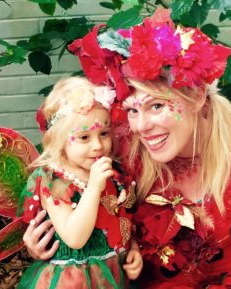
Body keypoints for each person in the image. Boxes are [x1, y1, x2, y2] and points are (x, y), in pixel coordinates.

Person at [22, 8, 231, 289]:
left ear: (198, 96)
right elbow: (66, 187)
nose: (141, 126)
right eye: (132, 110)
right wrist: (47, 245)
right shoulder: (123, 149)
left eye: (157, 105)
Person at [17, 76, 143, 289]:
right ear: (59, 139)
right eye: (84, 137)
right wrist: (94, 188)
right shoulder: (54, 180)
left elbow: (122, 217)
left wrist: (134, 248)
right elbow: (75, 238)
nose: (98, 145)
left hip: (113, 272)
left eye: (104, 133)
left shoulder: (111, 172)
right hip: (74, 278)